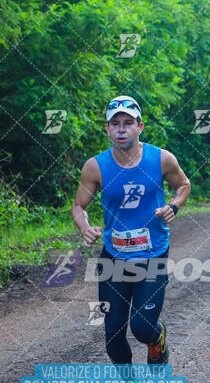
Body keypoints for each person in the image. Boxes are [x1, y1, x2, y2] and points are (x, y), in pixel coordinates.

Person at [72, 95, 190, 364]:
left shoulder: (161, 159)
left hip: (152, 255)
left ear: (140, 126)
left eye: (128, 122)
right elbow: (79, 206)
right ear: (107, 129)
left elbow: (183, 185)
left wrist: (174, 205)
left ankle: (157, 340)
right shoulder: (95, 166)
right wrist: (84, 226)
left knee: (142, 328)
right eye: (115, 123)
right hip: (114, 256)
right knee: (113, 334)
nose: (121, 129)